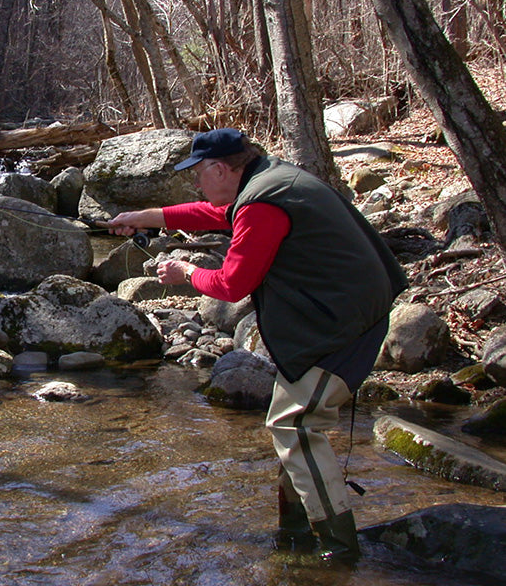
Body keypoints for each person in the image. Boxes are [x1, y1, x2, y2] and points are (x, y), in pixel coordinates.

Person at [108, 128, 408, 563]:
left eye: (198, 174)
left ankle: (339, 552)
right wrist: (146, 216)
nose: (196, 184)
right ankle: (296, 536)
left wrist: (187, 272)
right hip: (345, 313)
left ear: (220, 168)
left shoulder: (263, 203)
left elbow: (232, 285)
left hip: (343, 328)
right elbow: (211, 212)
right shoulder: (269, 180)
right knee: (291, 424)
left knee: (295, 428)